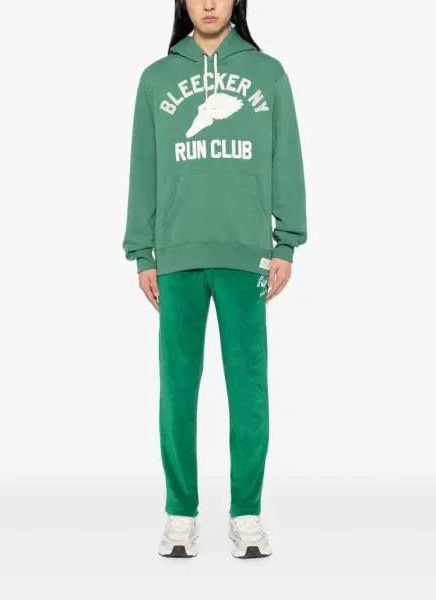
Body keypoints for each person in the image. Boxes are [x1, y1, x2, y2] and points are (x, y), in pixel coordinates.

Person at [122, 0, 307, 559]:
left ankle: (246, 514)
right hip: (175, 256)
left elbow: (286, 157)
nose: (208, 3)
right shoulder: (156, 78)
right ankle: (180, 514)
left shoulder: (268, 72)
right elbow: (144, 166)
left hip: (246, 254)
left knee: (248, 388)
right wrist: (142, 251)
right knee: (177, 389)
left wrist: (286, 241)